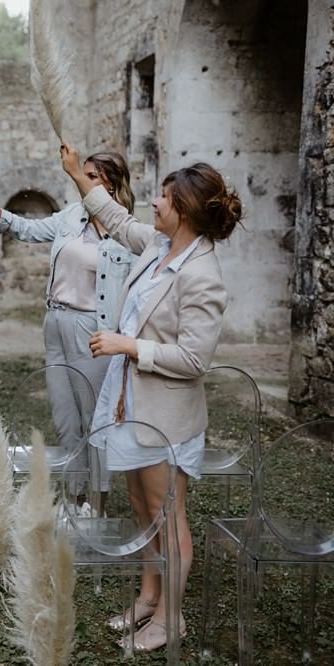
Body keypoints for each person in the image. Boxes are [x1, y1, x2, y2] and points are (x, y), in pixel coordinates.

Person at [62, 144, 242, 653]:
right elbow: (115, 218)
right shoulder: (157, 247)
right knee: (142, 506)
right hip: (129, 404)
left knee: (168, 515)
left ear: (183, 209)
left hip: (165, 413)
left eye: (163, 198)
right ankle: (148, 595)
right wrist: (78, 176)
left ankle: (171, 618)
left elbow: (194, 360)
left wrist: (128, 345)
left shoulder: (202, 274)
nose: (154, 205)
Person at [0, 154, 137, 508]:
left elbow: (135, 295)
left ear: (110, 184)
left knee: (95, 423)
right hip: (55, 323)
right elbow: (26, 229)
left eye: (90, 176)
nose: (81, 181)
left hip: (93, 331)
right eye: (83, 174)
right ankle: (75, 502)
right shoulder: (72, 217)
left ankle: (98, 505)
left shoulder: (126, 233)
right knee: (65, 419)